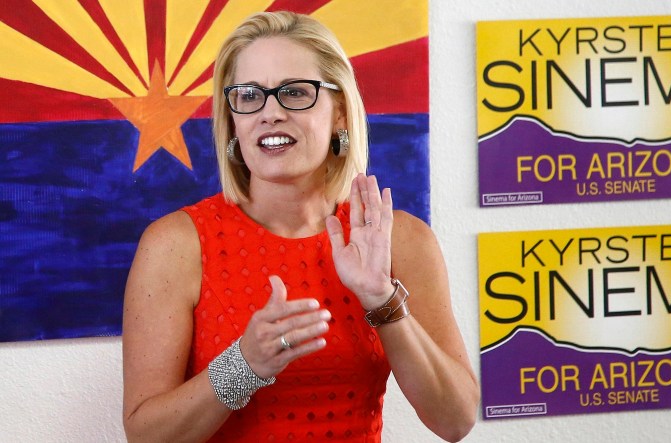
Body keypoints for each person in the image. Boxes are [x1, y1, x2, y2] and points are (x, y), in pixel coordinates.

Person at [122, 10, 479, 442]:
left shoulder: (397, 237)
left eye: (294, 92)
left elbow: (455, 420)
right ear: (233, 118)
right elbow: (147, 435)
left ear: (340, 112)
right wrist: (244, 366)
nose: (270, 113)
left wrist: (381, 300)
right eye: (250, 95)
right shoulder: (176, 244)